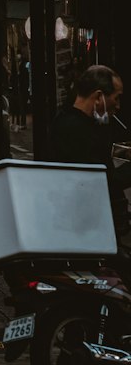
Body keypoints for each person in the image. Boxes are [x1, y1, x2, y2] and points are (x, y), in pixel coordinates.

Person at [47, 64, 130, 244]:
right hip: (84, 230)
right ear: (99, 96)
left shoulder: (71, 122)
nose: (118, 105)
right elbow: (97, 181)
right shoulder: (74, 129)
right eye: (116, 98)